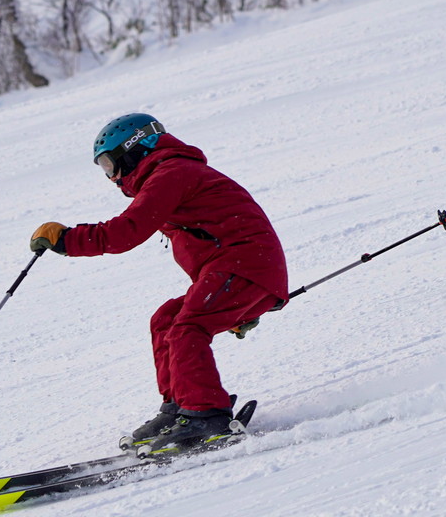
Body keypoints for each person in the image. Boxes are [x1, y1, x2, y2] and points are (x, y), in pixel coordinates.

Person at [30, 113, 288, 453]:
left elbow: (126, 232)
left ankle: (206, 414)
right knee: (166, 319)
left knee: (187, 327)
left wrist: (67, 240)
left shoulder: (171, 173)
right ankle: (180, 407)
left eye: (110, 164)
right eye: (104, 169)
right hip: (241, 271)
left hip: (246, 268)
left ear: (134, 149)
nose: (111, 177)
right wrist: (231, 308)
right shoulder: (170, 173)